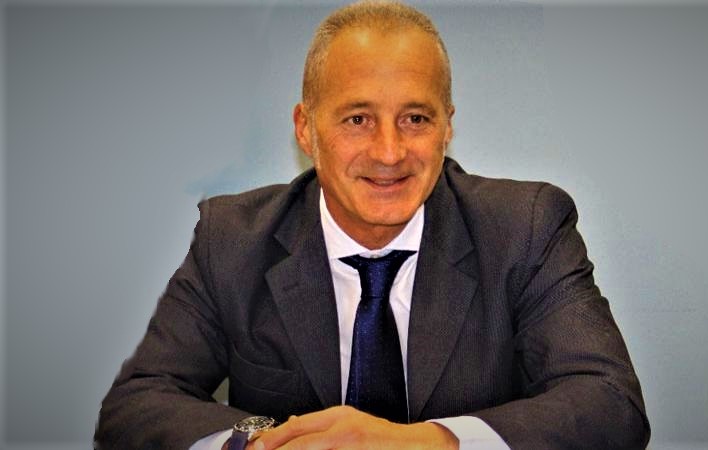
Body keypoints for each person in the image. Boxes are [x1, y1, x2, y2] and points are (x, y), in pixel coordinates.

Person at [95, 1, 650, 449]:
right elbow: (135, 406)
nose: (389, 152)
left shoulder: (525, 230)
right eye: (358, 119)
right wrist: (267, 443)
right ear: (306, 129)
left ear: (447, 127)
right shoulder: (233, 240)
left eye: (416, 118)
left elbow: (610, 404)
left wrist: (424, 444)